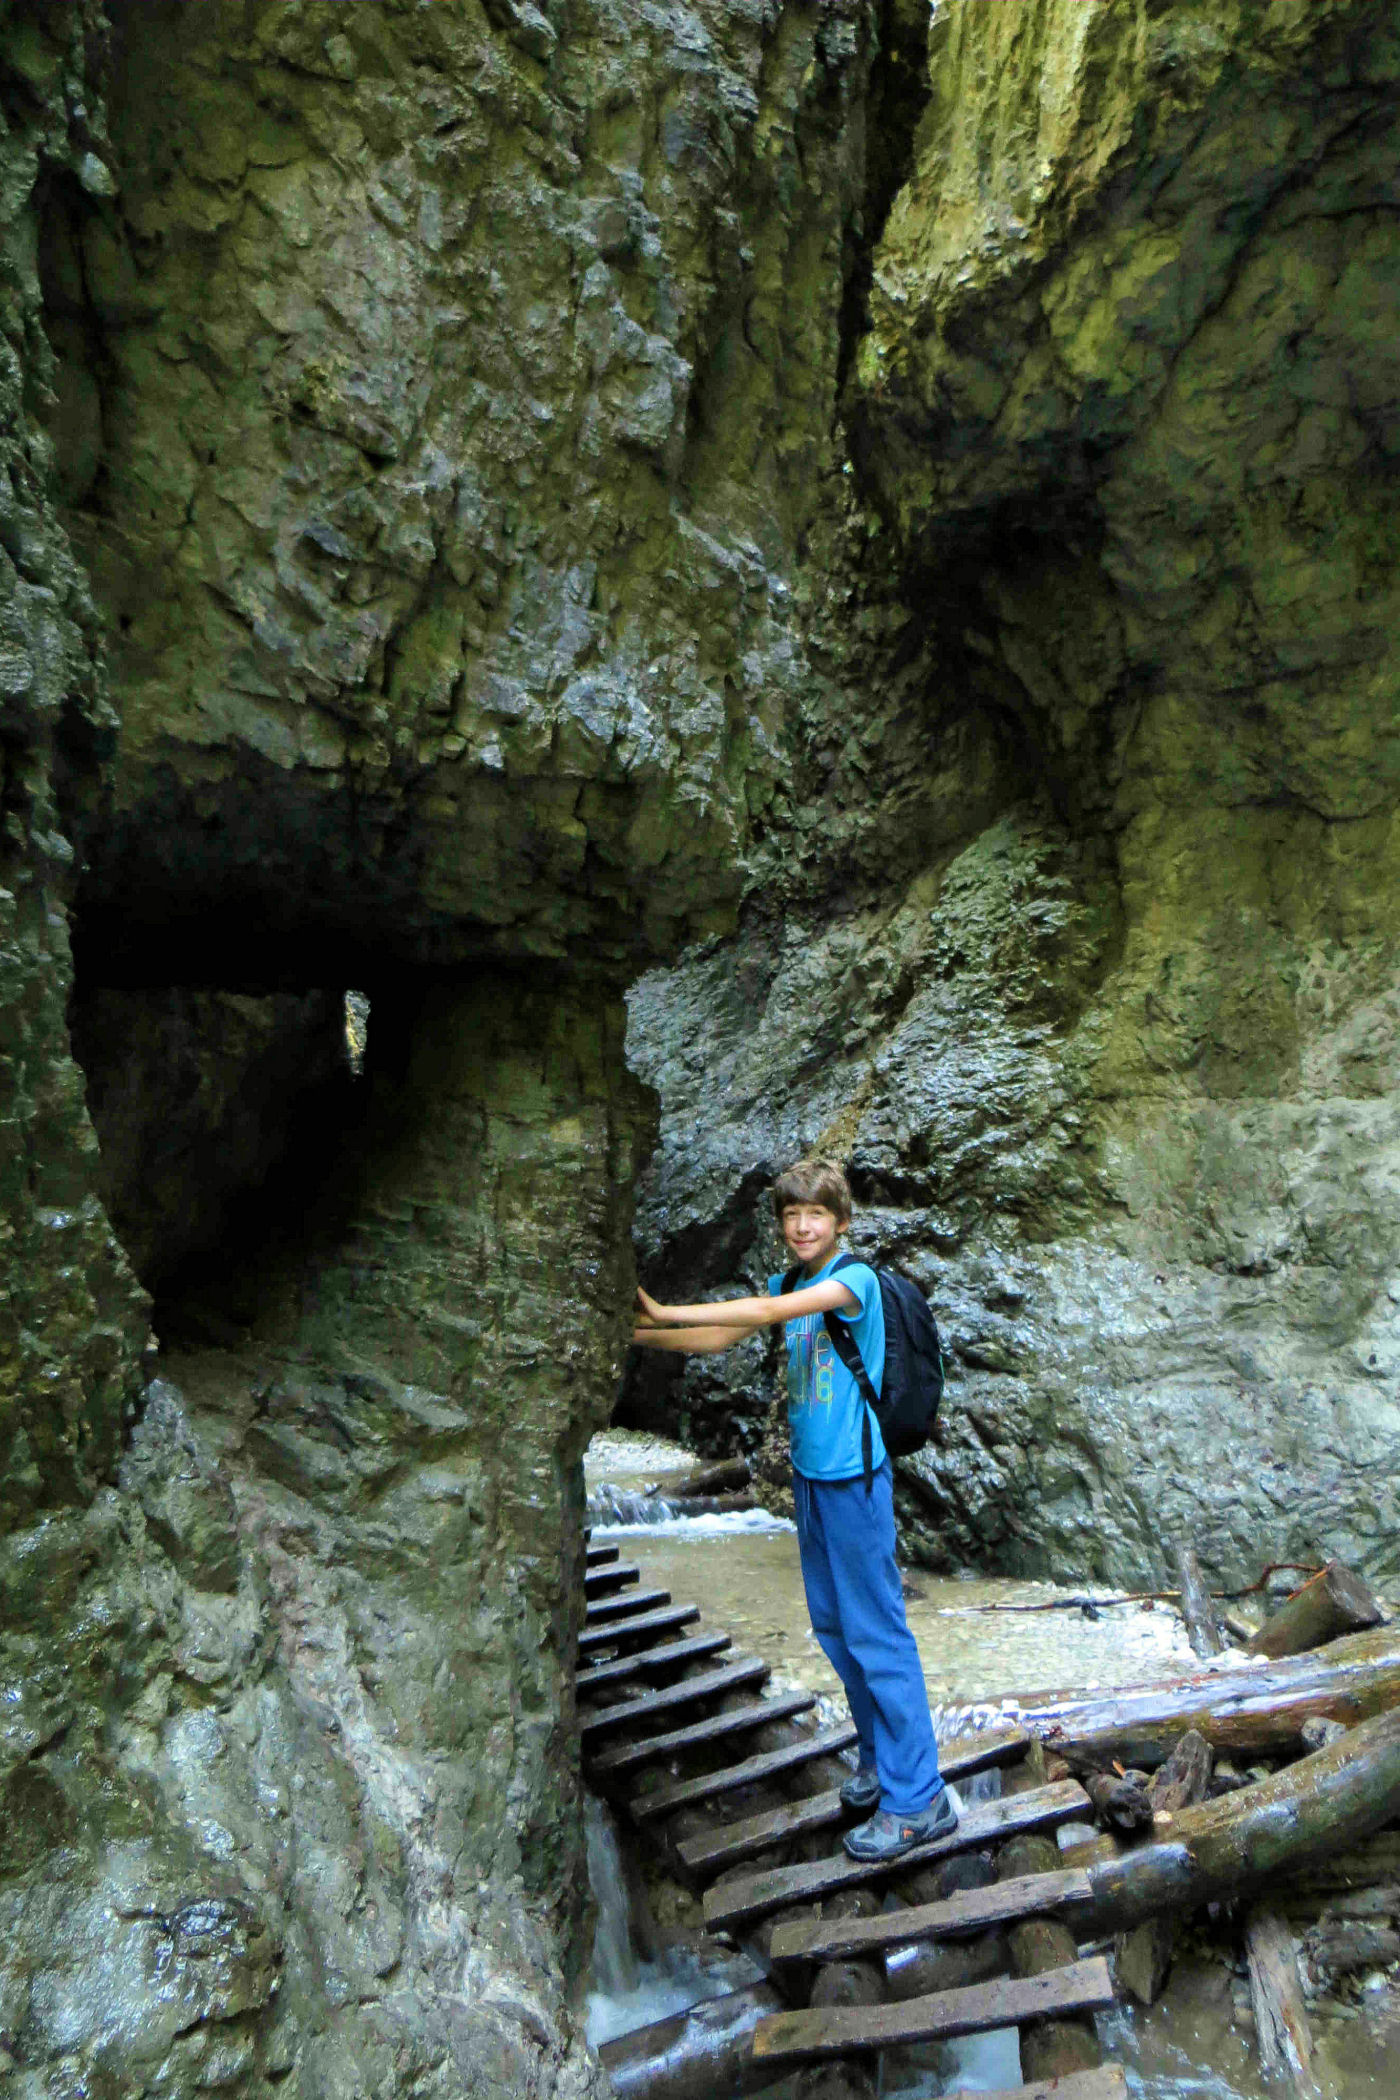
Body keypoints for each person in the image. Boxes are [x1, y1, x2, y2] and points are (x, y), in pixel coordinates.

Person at [631, 1157, 955, 1863]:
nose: (803, 1226)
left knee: (878, 1633)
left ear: (841, 1221)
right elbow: (722, 1334)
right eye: (791, 1215)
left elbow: (764, 1313)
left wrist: (663, 1308)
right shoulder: (792, 1281)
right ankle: (881, 1761)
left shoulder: (853, 1281)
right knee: (836, 1630)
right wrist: (637, 1335)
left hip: (855, 1480)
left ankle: (919, 1799)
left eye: (816, 1214)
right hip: (811, 1482)